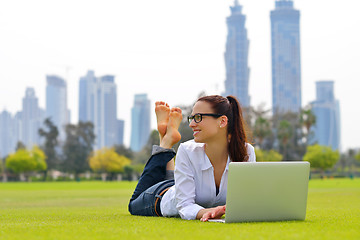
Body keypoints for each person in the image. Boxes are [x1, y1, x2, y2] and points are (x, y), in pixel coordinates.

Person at [128, 95, 256, 221]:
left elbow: (246, 200)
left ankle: (166, 135)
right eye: (192, 118)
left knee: (177, 182)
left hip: (182, 185)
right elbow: (185, 206)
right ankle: (166, 141)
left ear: (222, 121)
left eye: (198, 117)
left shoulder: (246, 152)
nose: (191, 124)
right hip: (161, 195)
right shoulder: (187, 150)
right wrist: (209, 212)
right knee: (133, 204)